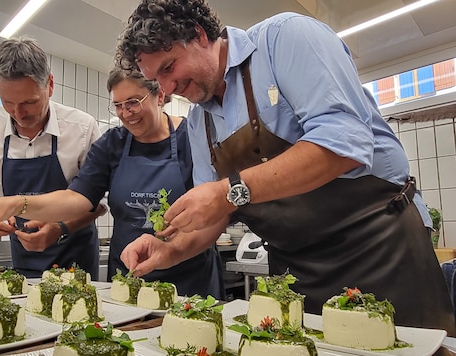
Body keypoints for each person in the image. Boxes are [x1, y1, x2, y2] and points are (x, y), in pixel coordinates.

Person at [114, 0, 456, 334]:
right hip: (297, 271)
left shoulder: (284, 40)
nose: (169, 89)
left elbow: (345, 143)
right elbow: (215, 213)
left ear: (199, 34)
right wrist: (170, 248)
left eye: (169, 68)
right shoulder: (198, 123)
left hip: (380, 247)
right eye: (158, 81)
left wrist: (229, 191)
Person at [0, 67, 226, 299]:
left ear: (159, 95)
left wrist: (172, 250)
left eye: (133, 103)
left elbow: (215, 210)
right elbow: (76, 199)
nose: (126, 114)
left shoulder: (193, 138)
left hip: (190, 278)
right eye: (118, 105)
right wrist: (16, 204)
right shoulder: (112, 144)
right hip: (129, 279)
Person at [0, 36, 104, 278]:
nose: (18, 114)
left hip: (77, 260)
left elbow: (96, 204)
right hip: (23, 258)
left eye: (29, 102)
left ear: (50, 85)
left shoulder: (82, 127)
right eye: (7, 102)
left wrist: (59, 228)